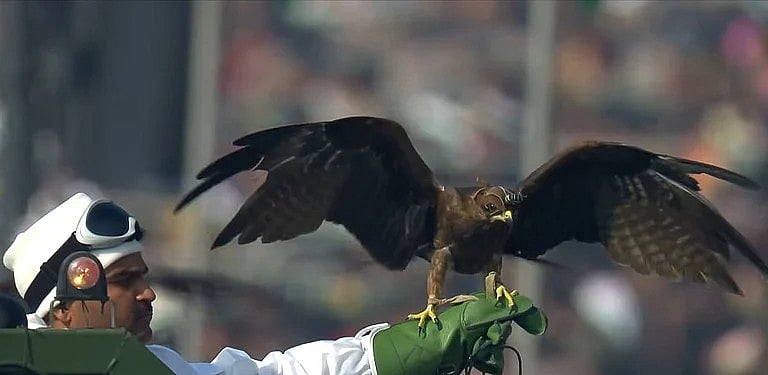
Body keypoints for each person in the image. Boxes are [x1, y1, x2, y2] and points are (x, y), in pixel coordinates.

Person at [2, 193, 546, 375]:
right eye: (126, 282)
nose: (148, 294)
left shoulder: (157, 369)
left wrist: (391, 356)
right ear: (72, 297)